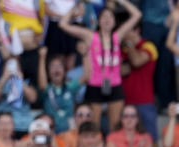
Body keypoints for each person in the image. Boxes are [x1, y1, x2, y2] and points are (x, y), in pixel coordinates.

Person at [59, 0, 142, 132]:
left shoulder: (117, 36)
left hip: (114, 85)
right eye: (103, 17)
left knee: (115, 126)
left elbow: (137, 14)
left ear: (115, 22)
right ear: (98, 21)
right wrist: (75, 6)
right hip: (94, 85)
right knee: (94, 127)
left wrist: (122, 2)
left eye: (110, 16)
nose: (107, 19)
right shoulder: (91, 36)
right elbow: (63, 25)